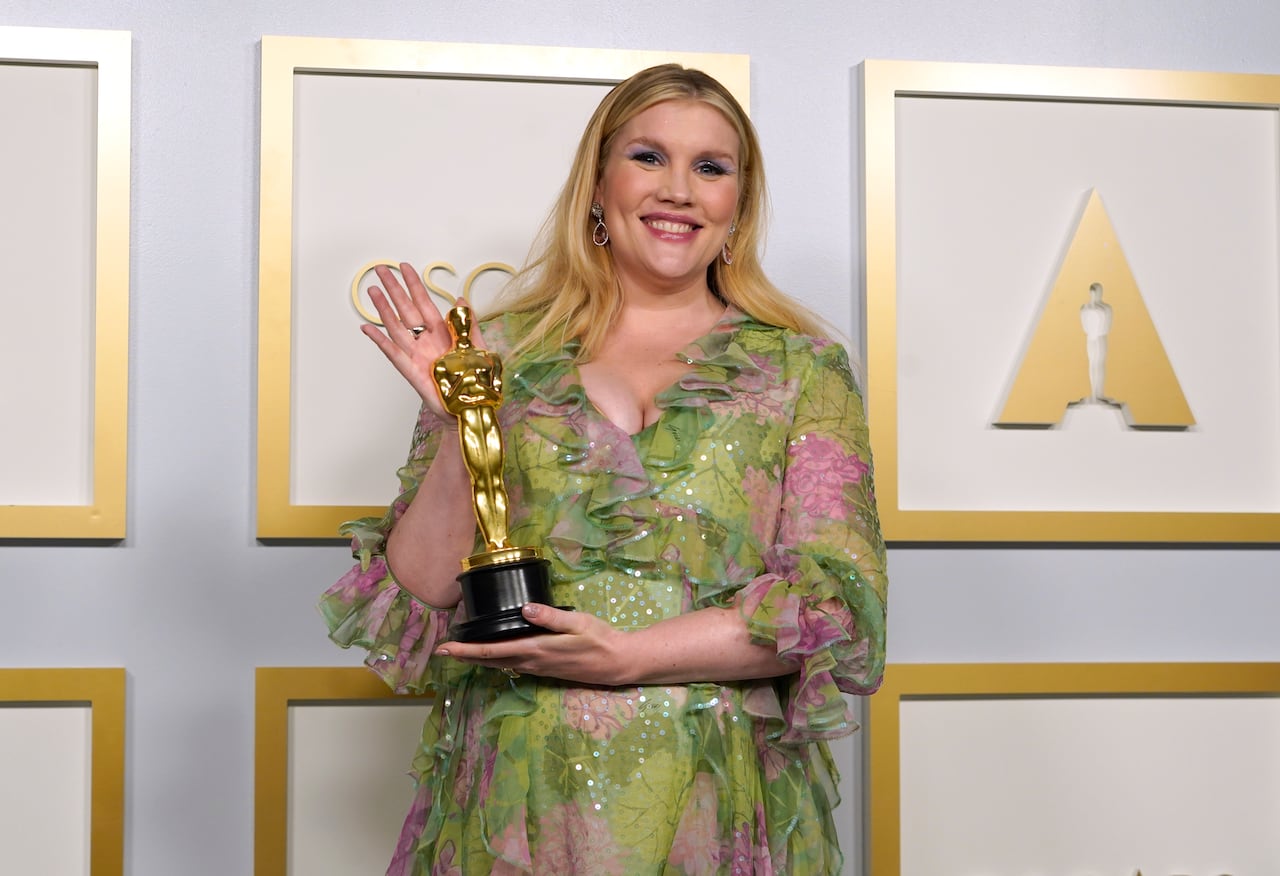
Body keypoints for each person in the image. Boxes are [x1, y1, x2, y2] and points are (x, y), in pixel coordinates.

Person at [320, 64, 888, 875]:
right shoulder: (501, 353)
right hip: (517, 794)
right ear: (597, 182)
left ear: (738, 203)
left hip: (713, 796)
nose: (680, 191)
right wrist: (459, 420)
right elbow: (423, 592)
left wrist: (631, 655)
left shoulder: (802, 370)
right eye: (649, 158)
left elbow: (837, 609)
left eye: (712, 167)